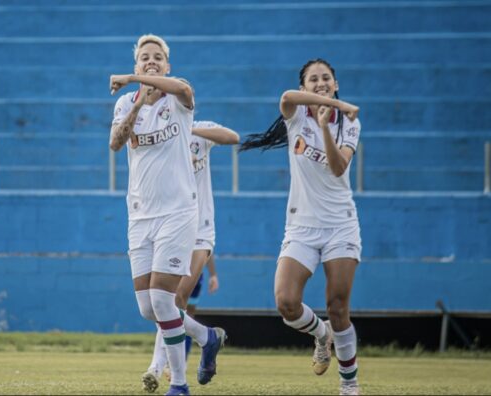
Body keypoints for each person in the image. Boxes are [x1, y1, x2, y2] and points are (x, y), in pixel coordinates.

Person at [109, 34, 227, 396]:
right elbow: (116, 142)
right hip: (140, 215)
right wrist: (134, 103)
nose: (151, 61)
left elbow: (182, 88)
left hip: (178, 213)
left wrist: (135, 81)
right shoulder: (126, 103)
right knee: (148, 309)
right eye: (144, 58)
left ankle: (178, 384)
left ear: (167, 65)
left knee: (164, 301)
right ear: (136, 63)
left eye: (157, 57)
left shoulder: (179, 98)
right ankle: (206, 336)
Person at [240, 59, 362, 396]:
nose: (321, 82)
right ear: (305, 87)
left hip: (340, 225)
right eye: (314, 79)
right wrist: (335, 105)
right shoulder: (294, 113)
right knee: (286, 302)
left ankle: (349, 384)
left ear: (335, 83)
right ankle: (321, 335)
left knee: (338, 306)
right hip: (301, 226)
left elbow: (338, 168)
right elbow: (285, 96)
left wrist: (326, 124)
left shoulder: (349, 123)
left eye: (326, 78)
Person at [142, 120, 239, 393]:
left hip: (200, 229)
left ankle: (159, 368)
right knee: (163, 302)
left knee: (177, 299)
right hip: (170, 226)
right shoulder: (156, 135)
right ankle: (207, 339)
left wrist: (189, 129)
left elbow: (232, 136)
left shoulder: (199, 128)